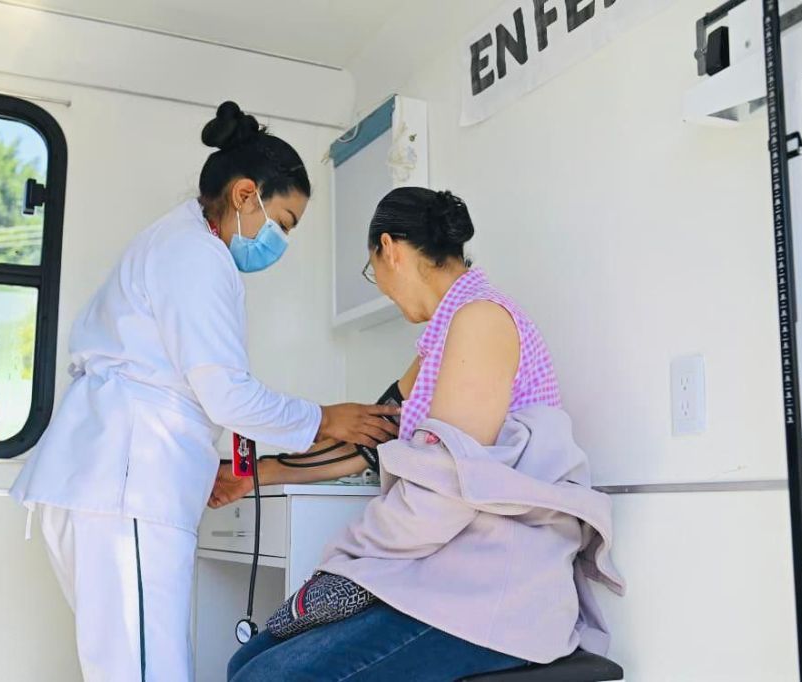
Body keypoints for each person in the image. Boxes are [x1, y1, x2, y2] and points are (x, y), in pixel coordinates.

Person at [9, 101, 399, 682]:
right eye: (284, 222)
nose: (281, 241)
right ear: (246, 195)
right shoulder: (196, 254)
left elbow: (199, 386)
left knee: (127, 666)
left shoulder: (176, 242)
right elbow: (228, 396)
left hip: (107, 480)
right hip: (128, 484)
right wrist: (328, 418)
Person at [218, 188, 623, 681]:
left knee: (263, 677)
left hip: (488, 589)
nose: (383, 289)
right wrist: (256, 473)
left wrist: (344, 564)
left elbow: (442, 493)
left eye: (373, 270)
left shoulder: (481, 321)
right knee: (245, 662)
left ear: (389, 249)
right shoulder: (441, 339)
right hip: (440, 572)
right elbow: (373, 436)